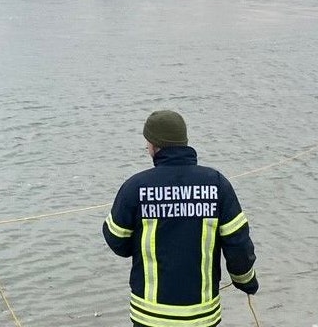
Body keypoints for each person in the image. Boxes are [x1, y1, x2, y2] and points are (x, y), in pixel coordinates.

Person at [103, 110, 258, 327]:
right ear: (183, 142)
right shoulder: (216, 184)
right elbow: (238, 244)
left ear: (153, 145)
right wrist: (246, 282)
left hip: (149, 315)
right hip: (201, 315)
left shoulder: (135, 187)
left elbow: (116, 240)